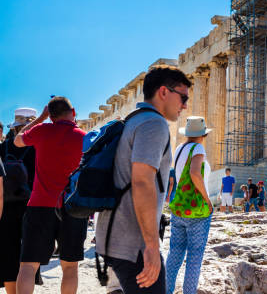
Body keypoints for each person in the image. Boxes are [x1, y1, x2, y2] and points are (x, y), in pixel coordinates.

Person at [95, 66, 191, 293]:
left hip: (115, 237)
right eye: (183, 97)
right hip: (133, 244)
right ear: (164, 92)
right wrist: (150, 246)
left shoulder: (134, 119)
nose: (185, 105)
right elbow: (142, 182)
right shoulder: (153, 124)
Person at [13, 98, 88, 294]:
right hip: (72, 207)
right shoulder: (83, 136)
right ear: (73, 111)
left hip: (39, 205)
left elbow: (17, 139)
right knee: (70, 267)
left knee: (28, 266)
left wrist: (40, 118)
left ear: (51, 115)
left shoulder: (41, 131)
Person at [166, 116, 213, 294]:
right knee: (194, 258)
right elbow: (194, 173)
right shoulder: (198, 148)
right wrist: (207, 200)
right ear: (203, 135)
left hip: (179, 208)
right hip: (197, 212)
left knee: (175, 255)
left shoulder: (179, 148)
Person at [0, 108, 40, 294]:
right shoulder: (38, 149)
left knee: (8, 253)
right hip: (31, 206)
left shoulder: (2, 148)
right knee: (28, 259)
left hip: (5, 207)